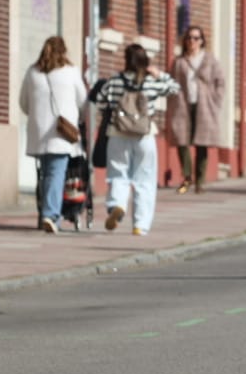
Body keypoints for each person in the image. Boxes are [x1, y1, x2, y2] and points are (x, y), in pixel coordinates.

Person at [89, 43, 178, 234]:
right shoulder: (150, 82)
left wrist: (111, 115)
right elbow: (174, 88)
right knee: (144, 180)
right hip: (144, 136)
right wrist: (159, 74)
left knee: (117, 174)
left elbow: (101, 101)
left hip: (117, 133)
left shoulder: (115, 81)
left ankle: (117, 205)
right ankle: (140, 225)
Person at [19, 35, 88, 234]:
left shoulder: (32, 72)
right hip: (62, 132)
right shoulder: (71, 72)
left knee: (45, 174)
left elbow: (23, 102)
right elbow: (83, 101)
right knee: (56, 174)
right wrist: (79, 118)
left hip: (39, 133)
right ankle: (50, 215)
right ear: (63, 51)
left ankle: (45, 212)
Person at [170, 26, 225, 194]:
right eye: (189, 38)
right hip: (183, 105)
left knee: (202, 143)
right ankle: (187, 177)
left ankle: (200, 181)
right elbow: (172, 82)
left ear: (202, 41)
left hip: (205, 105)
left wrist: (215, 101)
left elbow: (220, 82)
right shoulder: (179, 61)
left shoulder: (210, 60)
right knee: (182, 141)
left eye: (195, 38)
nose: (192, 41)